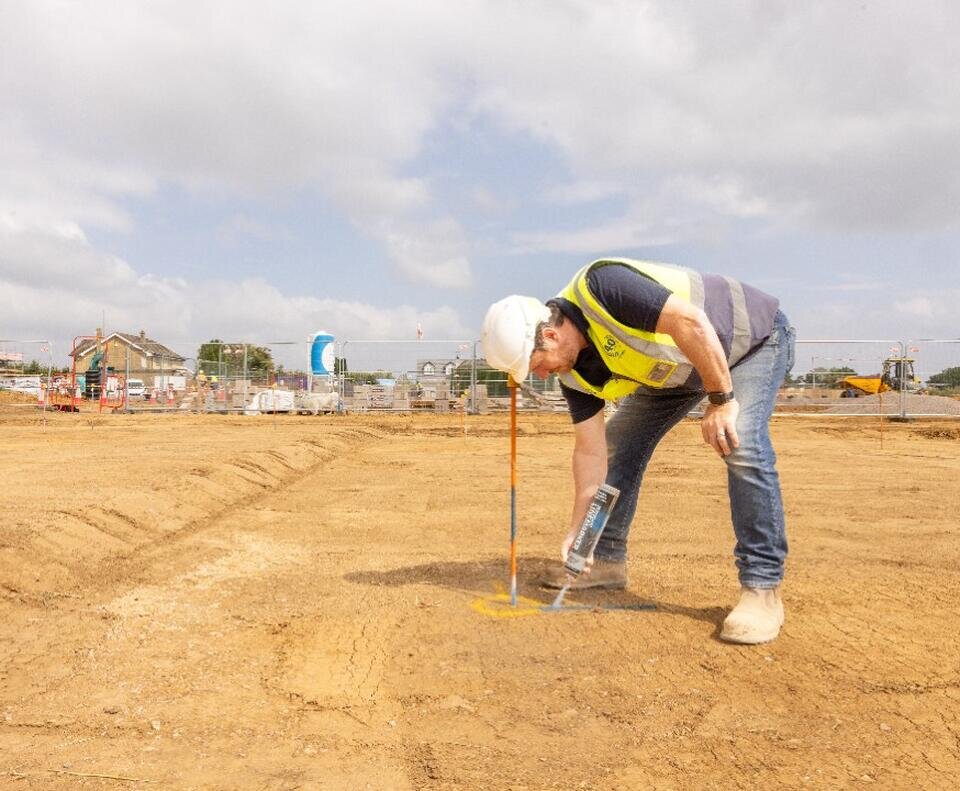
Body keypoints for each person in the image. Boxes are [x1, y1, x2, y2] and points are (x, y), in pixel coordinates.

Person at [481, 258, 795, 644]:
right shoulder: (574, 374)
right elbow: (591, 453)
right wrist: (581, 530)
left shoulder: (603, 286)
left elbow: (691, 322)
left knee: (739, 438)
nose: (542, 375)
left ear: (548, 335)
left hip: (748, 341)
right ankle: (606, 559)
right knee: (620, 443)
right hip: (681, 369)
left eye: (536, 365)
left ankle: (762, 589)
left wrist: (722, 400)